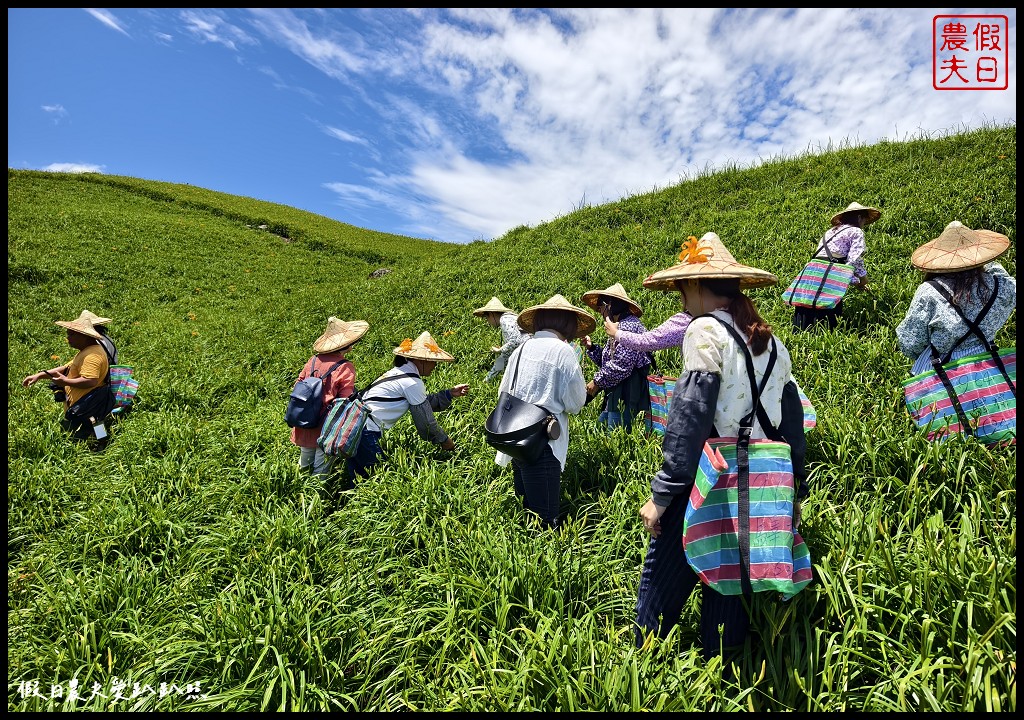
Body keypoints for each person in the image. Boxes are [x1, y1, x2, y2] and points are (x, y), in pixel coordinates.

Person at [634, 232, 808, 661]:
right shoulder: (772, 341)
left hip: (709, 474)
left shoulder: (703, 331)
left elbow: (689, 418)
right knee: (729, 574)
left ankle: (643, 661)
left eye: (681, 290)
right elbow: (794, 424)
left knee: (665, 573)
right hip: (763, 478)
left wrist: (662, 495)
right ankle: (723, 672)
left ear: (695, 285)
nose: (680, 300)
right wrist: (795, 490)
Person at [494, 294, 592, 529]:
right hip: (542, 441)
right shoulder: (563, 351)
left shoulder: (521, 348)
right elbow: (576, 403)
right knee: (546, 518)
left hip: (514, 436)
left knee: (526, 507)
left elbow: (503, 391)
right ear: (568, 325)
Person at [346, 331, 469, 487]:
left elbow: (421, 403)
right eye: (432, 361)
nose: (435, 366)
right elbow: (426, 421)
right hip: (365, 432)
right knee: (377, 483)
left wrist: (449, 394)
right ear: (420, 360)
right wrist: (445, 441)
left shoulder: (398, 373)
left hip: (353, 428)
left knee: (358, 481)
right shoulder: (411, 382)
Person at [896, 220, 1016, 376]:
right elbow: (1008, 281)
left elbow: (910, 342)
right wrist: (987, 263)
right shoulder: (1001, 286)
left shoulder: (929, 292)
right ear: (978, 255)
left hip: (941, 370)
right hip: (987, 366)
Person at [290, 316, 368, 483]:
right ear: (346, 344)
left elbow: (298, 384)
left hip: (304, 419)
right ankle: (315, 501)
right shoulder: (345, 366)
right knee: (321, 468)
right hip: (326, 425)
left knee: (304, 463)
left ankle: (298, 494)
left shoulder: (312, 361)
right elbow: (344, 401)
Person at [22, 311, 115, 447]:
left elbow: (90, 381)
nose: (68, 338)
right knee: (96, 422)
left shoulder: (92, 356)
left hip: (85, 406)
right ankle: (102, 443)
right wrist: (39, 375)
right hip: (91, 404)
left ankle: (94, 451)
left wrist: (65, 382)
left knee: (74, 438)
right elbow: (66, 368)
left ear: (84, 336)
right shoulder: (87, 351)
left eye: (71, 334)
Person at [793, 201, 881, 331]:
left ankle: (800, 339)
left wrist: (855, 281)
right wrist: (862, 280)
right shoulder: (856, 231)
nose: (864, 224)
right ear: (859, 217)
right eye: (864, 219)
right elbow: (854, 259)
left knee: (806, 304)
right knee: (827, 308)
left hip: (813, 268)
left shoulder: (830, 231)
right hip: (830, 271)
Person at [581, 283, 651, 430]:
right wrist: (591, 347)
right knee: (603, 430)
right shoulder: (618, 326)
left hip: (627, 391)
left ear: (610, 305)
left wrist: (596, 382)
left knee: (617, 433)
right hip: (617, 390)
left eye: (601, 306)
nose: (600, 312)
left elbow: (621, 365)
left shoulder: (629, 327)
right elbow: (608, 361)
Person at [473, 296, 529, 382]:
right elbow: (506, 353)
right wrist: (488, 379)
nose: (488, 322)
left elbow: (515, 341)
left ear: (491, 314)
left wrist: (499, 350)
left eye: (486, 318)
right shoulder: (510, 318)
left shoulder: (505, 319)